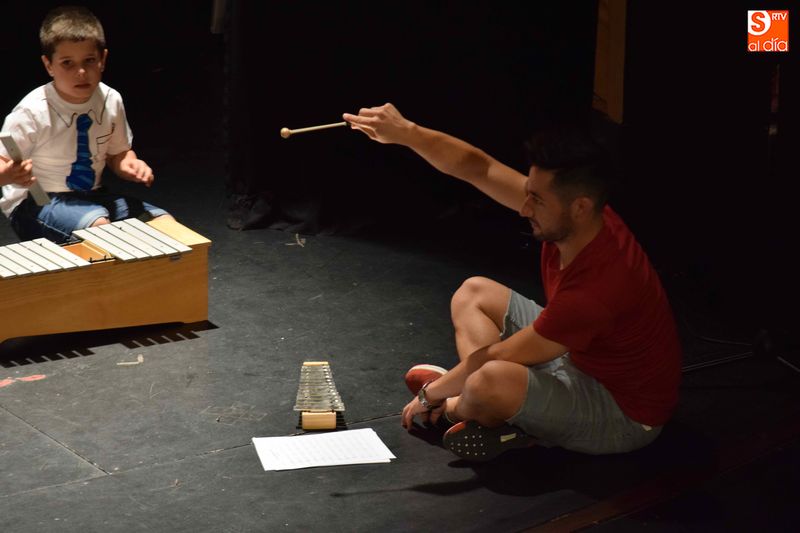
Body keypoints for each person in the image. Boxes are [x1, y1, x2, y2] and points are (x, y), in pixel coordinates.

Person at [343, 104, 682, 461]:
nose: (524, 208)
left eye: (536, 199)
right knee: (474, 293)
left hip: (621, 416)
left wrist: (433, 394)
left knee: (488, 380)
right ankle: (492, 410)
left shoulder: (597, 288)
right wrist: (407, 132)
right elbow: (479, 167)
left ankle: (456, 410)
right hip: (579, 361)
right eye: (528, 192)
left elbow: (500, 356)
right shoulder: (581, 217)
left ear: (580, 207)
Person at [0, 6, 172, 244]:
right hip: (37, 199)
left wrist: (129, 164)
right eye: (67, 63)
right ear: (49, 65)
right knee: (99, 227)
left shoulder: (111, 99)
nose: (81, 72)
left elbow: (118, 154)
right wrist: (7, 174)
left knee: (163, 224)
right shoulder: (32, 110)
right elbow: (3, 159)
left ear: (103, 60)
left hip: (92, 196)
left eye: (89, 61)